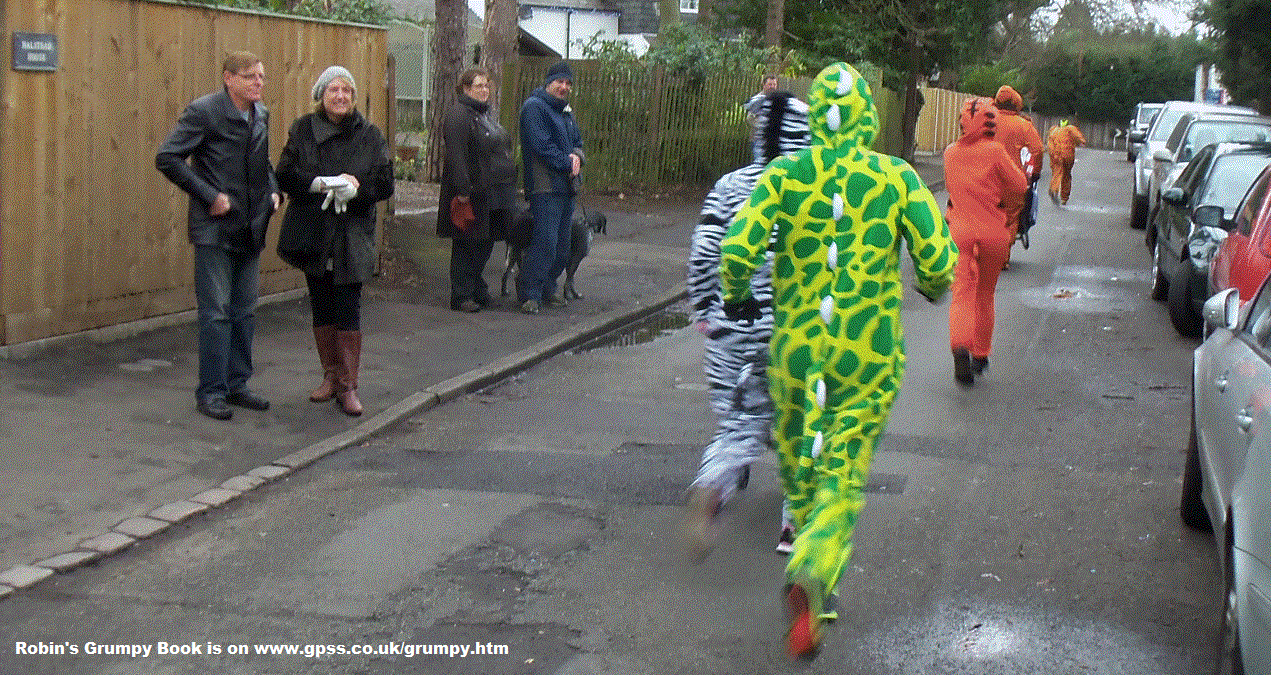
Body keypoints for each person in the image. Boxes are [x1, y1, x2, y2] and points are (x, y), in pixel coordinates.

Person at [719, 63, 957, 659]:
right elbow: (937, 261)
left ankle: (813, 588)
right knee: (843, 471)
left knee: (802, 465)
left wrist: (739, 295)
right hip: (867, 353)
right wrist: (930, 287)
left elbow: (739, 246)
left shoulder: (784, 175)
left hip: (795, 351)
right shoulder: (896, 178)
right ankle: (813, 566)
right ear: (869, 120)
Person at [683, 91, 809, 558]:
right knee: (800, 424)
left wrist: (703, 307)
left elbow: (705, 250)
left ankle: (714, 484)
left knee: (737, 424)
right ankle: (794, 526)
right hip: (794, 326)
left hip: (733, 323)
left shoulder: (730, 186)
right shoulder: (812, 191)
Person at [156, 51, 282, 421]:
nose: (259, 82)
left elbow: (264, 161)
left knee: (245, 311)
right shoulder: (204, 112)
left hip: (251, 226)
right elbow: (168, 158)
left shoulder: (261, 114)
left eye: (261, 76)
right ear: (229, 78)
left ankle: (237, 385)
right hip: (214, 230)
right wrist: (209, 196)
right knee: (216, 313)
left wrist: (274, 191)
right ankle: (210, 392)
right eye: (250, 77)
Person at [274, 65, 394, 417]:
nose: (340, 96)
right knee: (321, 304)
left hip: (351, 235)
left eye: (347, 90)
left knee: (348, 308)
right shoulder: (303, 130)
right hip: (313, 231)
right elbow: (285, 173)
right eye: (333, 90)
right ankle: (329, 376)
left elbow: (384, 184)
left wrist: (355, 188)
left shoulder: (370, 135)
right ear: (321, 96)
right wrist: (322, 183)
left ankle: (348, 386)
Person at [944, 97, 1028, 386]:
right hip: (993, 232)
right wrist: (1006, 204)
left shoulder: (949, 153)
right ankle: (980, 354)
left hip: (960, 232)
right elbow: (1020, 186)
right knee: (985, 294)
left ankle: (960, 344)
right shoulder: (995, 152)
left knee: (962, 292)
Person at [438, 67, 516, 313]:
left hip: (493, 193)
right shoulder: (458, 116)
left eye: (486, 85)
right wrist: (463, 191)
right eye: (478, 86)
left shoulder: (484, 114)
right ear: (465, 88)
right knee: (467, 244)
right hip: (471, 193)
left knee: (486, 242)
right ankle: (461, 296)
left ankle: (478, 289)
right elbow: (457, 156)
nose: (483, 90)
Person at [518, 61, 584, 315]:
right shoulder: (534, 108)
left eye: (568, 83)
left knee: (562, 244)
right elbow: (541, 146)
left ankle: (548, 287)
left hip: (566, 187)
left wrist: (578, 156)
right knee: (545, 241)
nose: (564, 87)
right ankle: (529, 294)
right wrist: (568, 162)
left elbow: (577, 141)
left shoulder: (566, 111)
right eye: (559, 82)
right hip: (544, 187)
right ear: (549, 83)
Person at [992, 86, 1043, 269]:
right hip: (1012, 181)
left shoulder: (986, 119)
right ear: (1017, 104)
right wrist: (1035, 173)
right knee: (1010, 218)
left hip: (985, 179)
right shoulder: (1023, 125)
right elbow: (1037, 149)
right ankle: (1001, 259)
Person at [1047, 118, 1086, 205]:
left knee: (1057, 174)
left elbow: (1050, 145)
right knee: (1066, 175)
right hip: (1068, 156)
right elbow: (1077, 136)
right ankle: (1064, 198)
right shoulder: (1070, 129)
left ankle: (1054, 189)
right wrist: (1082, 141)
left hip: (1056, 156)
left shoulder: (1053, 131)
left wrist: (1052, 155)